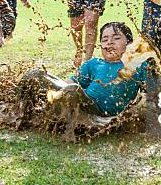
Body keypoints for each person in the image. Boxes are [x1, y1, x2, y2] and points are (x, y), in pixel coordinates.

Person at [18, 22, 147, 117]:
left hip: (99, 114)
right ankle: (20, 113)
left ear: (129, 44)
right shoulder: (94, 63)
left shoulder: (138, 66)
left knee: (72, 90)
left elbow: (152, 95)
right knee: (35, 74)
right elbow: (67, 83)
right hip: (81, 105)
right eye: (105, 39)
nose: (109, 43)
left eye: (116, 38)